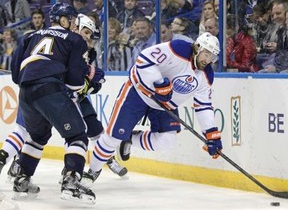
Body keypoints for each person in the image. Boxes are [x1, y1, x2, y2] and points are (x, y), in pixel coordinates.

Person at [81, 32, 223, 187]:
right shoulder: (179, 49)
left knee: (167, 140)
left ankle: (129, 140)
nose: (208, 60)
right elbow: (144, 59)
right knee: (113, 137)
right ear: (198, 47)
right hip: (139, 92)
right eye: (206, 54)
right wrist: (159, 83)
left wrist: (211, 134)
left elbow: (203, 105)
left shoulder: (207, 75)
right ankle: (92, 171)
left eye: (212, 57)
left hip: (164, 105)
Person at [9, 2, 98, 204]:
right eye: (73, 21)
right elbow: (74, 82)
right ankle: (71, 183)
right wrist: (80, 85)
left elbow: (16, 74)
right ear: (65, 20)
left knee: (37, 137)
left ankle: (22, 179)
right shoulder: (75, 39)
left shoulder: (29, 36)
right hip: (50, 89)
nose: (75, 25)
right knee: (77, 135)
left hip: (25, 92)